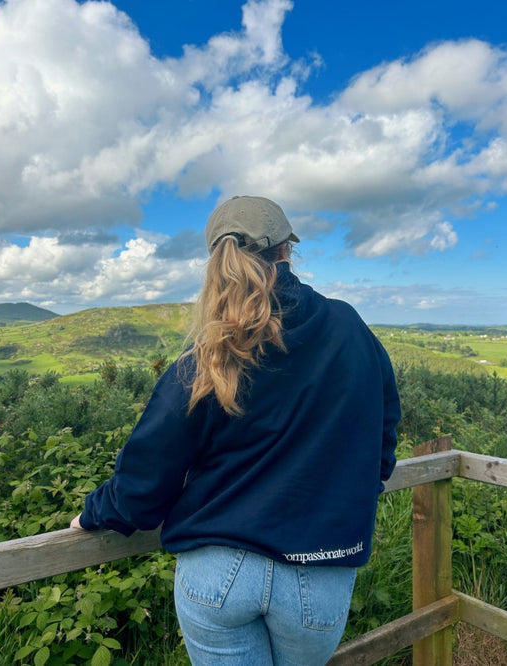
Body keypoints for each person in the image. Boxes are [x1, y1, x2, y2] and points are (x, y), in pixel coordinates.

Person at [71, 195, 401, 665]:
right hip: (322, 571)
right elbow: (384, 426)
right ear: (287, 251)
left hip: (218, 570)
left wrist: (96, 513)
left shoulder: (208, 356)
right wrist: (366, 480)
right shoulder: (349, 327)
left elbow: (147, 475)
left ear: (215, 262)